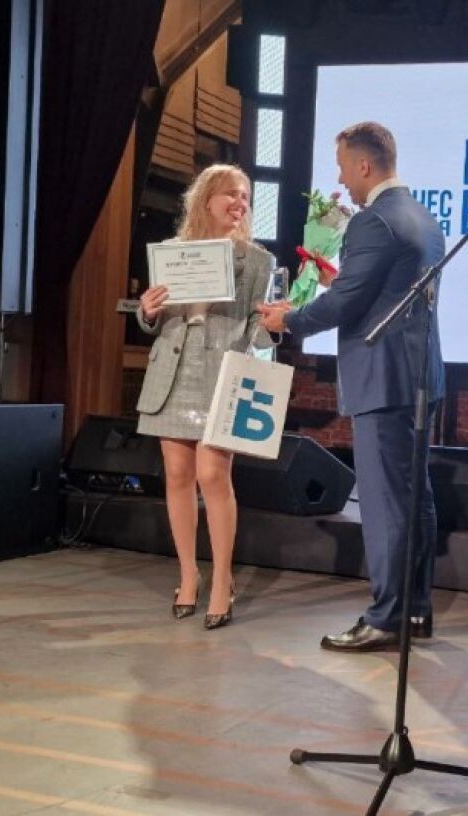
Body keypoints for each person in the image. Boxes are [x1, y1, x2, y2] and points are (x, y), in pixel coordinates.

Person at [257, 122, 445, 652]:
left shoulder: (374, 221)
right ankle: (414, 611)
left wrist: (289, 320)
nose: (340, 178)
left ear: (364, 165)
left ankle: (385, 617)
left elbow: (345, 303)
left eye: (342, 166)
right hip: (420, 377)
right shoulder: (425, 218)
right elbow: (380, 295)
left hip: (383, 380)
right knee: (414, 498)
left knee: (385, 506)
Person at [136, 164, 275, 628]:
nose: (240, 203)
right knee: (178, 475)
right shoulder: (172, 252)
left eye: (245, 196)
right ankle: (188, 575)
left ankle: (221, 580)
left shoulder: (257, 260)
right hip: (174, 370)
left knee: (212, 475)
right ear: (206, 199)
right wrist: (146, 311)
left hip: (222, 374)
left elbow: (258, 327)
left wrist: (273, 325)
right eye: (231, 194)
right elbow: (155, 318)